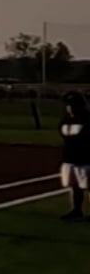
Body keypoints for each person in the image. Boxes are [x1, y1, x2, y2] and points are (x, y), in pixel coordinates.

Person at [62, 92, 90, 221]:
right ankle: (76, 210)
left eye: (73, 104)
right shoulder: (66, 119)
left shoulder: (87, 119)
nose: (70, 107)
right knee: (74, 186)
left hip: (85, 159)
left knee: (88, 186)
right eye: (68, 105)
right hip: (69, 159)